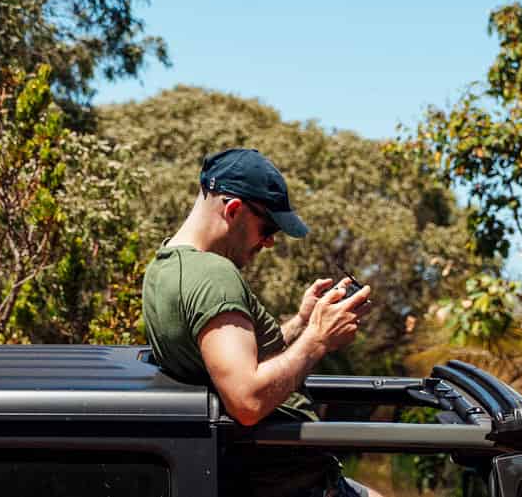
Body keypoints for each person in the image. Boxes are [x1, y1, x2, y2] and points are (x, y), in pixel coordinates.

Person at [141, 147, 382, 497]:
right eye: (267, 228)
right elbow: (247, 400)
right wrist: (318, 340)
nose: (269, 242)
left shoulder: (163, 268)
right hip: (293, 486)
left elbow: (227, 359)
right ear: (234, 209)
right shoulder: (213, 276)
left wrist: (301, 323)